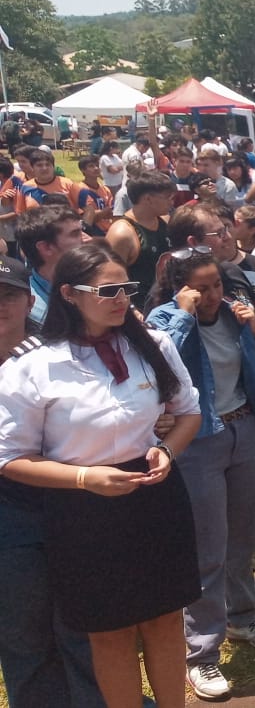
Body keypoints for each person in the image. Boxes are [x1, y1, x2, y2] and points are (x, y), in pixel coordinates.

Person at [0, 243, 203, 708]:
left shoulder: (153, 344)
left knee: (165, 619)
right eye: (108, 290)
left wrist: (168, 451)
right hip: (82, 507)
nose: (122, 300)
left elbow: (188, 411)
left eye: (127, 288)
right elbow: (9, 457)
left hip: (155, 494)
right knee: (109, 632)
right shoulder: (32, 367)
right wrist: (84, 480)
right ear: (69, 294)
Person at [146, 250, 255, 699]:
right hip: (199, 440)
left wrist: (254, 330)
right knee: (208, 545)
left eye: (217, 286)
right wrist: (186, 315)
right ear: (180, 288)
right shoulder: (164, 319)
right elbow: (159, 364)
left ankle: (243, 617)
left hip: (243, 426)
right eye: (201, 287)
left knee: (243, 535)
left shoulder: (232, 314)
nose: (212, 296)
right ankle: (202, 655)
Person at [0, 253, 108, 707]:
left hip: (72, 506)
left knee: (85, 629)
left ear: (28, 301)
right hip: (9, 522)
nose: (0, 304)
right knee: (24, 637)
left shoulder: (60, 353)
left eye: (8, 294)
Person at [106, 170, 175, 309]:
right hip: (139, 310)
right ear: (148, 199)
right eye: (167, 197)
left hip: (166, 305)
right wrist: (131, 310)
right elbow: (110, 280)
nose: (171, 202)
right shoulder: (122, 233)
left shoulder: (165, 222)